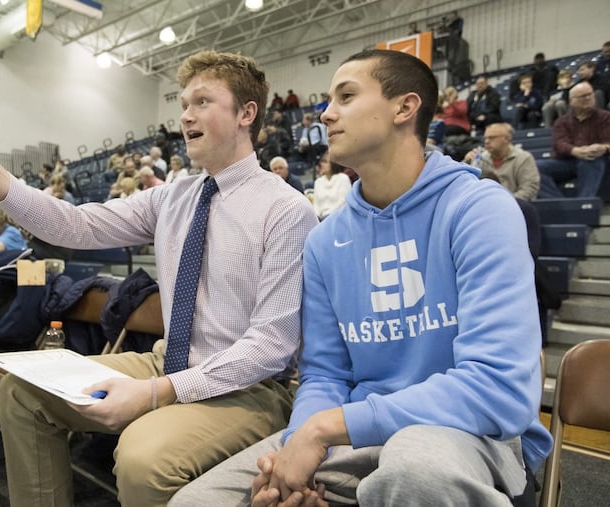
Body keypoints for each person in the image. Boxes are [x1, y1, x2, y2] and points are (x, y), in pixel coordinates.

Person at [0, 49, 318, 506]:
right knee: (25, 390)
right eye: (184, 103)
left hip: (248, 388)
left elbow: (271, 345)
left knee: (143, 459)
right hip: (169, 361)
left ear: (247, 113)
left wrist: (157, 391)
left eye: (202, 102)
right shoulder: (174, 196)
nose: (186, 115)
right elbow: (73, 225)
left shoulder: (286, 210)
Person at [169, 48, 552, 507]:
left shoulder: (480, 209)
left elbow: (497, 388)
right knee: (199, 501)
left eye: (346, 96)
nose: (326, 114)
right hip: (356, 434)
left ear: (404, 108)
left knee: (416, 472)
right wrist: (297, 452)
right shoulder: (326, 240)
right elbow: (326, 373)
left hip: (470, 434)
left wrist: (326, 428)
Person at [537, 82, 610, 198]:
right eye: (583, 96)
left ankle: (584, 203)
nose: (588, 98)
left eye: (590, 94)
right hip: (567, 162)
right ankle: (560, 204)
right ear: (571, 101)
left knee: (590, 159)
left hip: (596, 160)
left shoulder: (605, 117)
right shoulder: (561, 122)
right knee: (535, 167)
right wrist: (575, 151)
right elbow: (559, 143)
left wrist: (603, 148)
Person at [463, 122, 540, 200]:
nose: (486, 141)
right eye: (485, 138)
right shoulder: (480, 158)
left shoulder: (523, 158)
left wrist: (503, 202)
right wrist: (466, 162)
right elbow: (463, 185)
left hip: (515, 207)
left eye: (492, 138)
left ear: (506, 139)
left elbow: (529, 190)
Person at [311, 151, 351, 220]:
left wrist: (328, 216)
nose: (321, 164)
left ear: (334, 164)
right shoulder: (318, 182)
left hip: (338, 217)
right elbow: (316, 204)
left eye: (325, 162)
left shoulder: (343, 178)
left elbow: (343, 202)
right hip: (321, 219)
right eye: (322, 162)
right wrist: (317, 217)